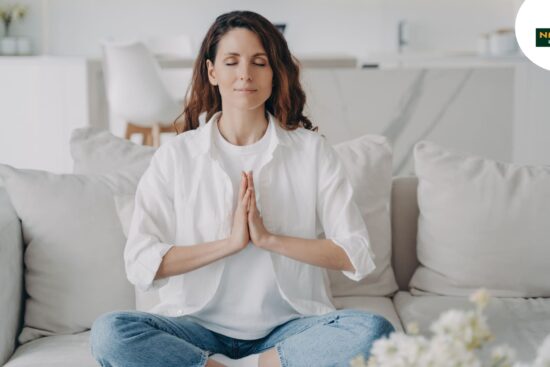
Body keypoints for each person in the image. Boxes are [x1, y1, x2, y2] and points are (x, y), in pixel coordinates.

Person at [90, 10, 394, 367]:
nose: (245, 74)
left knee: (375, 331)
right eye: (232, 62)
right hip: (195, 327)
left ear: (275, 72)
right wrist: (229, 245)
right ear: (212, 72)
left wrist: (269, 240)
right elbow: (140, 262)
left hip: (290, 329)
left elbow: (356, 254)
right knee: (110, 333)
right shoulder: (177, 155)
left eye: (259, 62)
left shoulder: (312, 152)